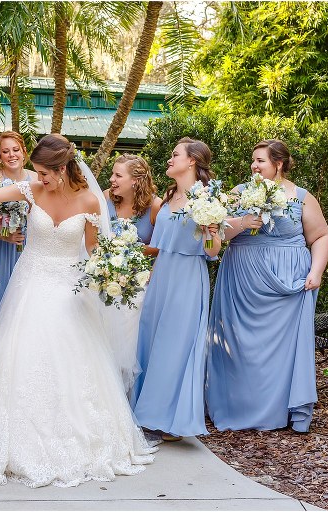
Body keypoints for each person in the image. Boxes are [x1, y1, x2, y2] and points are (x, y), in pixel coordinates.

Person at [0, 134, 156, 488]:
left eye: (44, 173)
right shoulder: (31, 190)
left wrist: (110, 270)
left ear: (63, 168)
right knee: (20, 355)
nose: (39, 178)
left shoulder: (89, 200)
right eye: (36, 172)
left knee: (70, 360)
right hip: (30, 284)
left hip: (70, 289)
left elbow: (93, 250)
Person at [206, 139, 328, 433]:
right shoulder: (238, 193)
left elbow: (321, 237)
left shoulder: (302, 197)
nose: (254, 166)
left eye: (260, 161)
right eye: (253, 161)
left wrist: (317, 271)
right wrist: (245, 221)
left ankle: (279, 410)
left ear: (279, 164)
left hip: (288, 285)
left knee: (280, 352)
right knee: (240, 347)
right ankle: (236, 407)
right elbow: (218, 234)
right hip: (243, 282)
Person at [131, 138, 222, 442]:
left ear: (192, 161)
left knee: (175, 346)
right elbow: (158, 247)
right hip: (163, 275)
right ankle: (145, 413)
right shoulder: (169, 196)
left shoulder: (208, 197)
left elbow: (212, 251)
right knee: (152, 339)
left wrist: (211, 232)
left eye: (175, 156)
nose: (169, 160)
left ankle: (168, 419)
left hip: (187, 277)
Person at [102, 154, 163, 394]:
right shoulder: (105, 198)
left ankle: (125, 395)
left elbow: (161, 246)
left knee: (128, 341)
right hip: (105, 277)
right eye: (112, 174)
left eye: (118, 175)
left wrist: (131, 249)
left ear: (136, 180)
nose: (112, 180)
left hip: (136, 281)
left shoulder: (155, 206)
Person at [0, 131, 37, 310]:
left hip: (32, 246)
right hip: (2, 248)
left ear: (24, 151)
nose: (11, 155)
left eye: (15, 150)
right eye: (5, 151)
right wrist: (4, 235)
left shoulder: (37, 178)